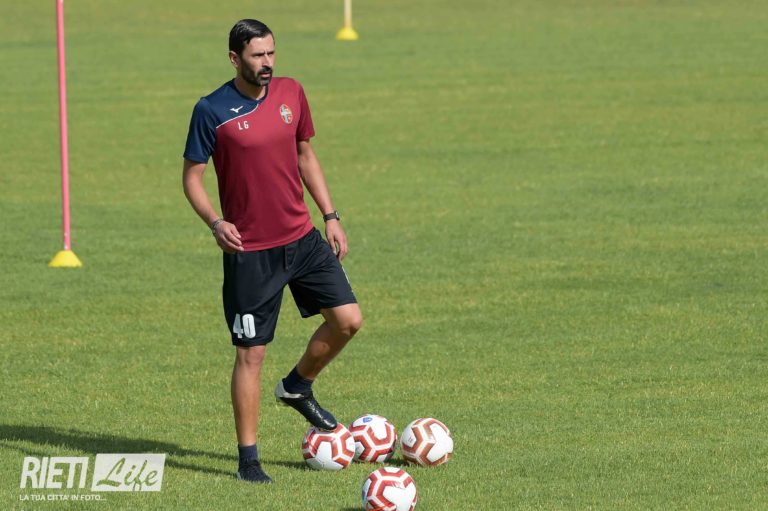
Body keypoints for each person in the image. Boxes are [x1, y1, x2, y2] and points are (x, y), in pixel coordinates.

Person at [182, 19, 362, 484]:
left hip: (302, 239)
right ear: (234, 58)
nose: (267, 63)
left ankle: (298, 385)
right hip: (251, 254)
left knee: (348, 321)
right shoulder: (211, 110)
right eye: (257, 55)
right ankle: (248, 461)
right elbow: (192, 178)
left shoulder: (291, 92)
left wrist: (330, 215)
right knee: (251, 355)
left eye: (271, 53)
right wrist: (216, 222)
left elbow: (305, 155)